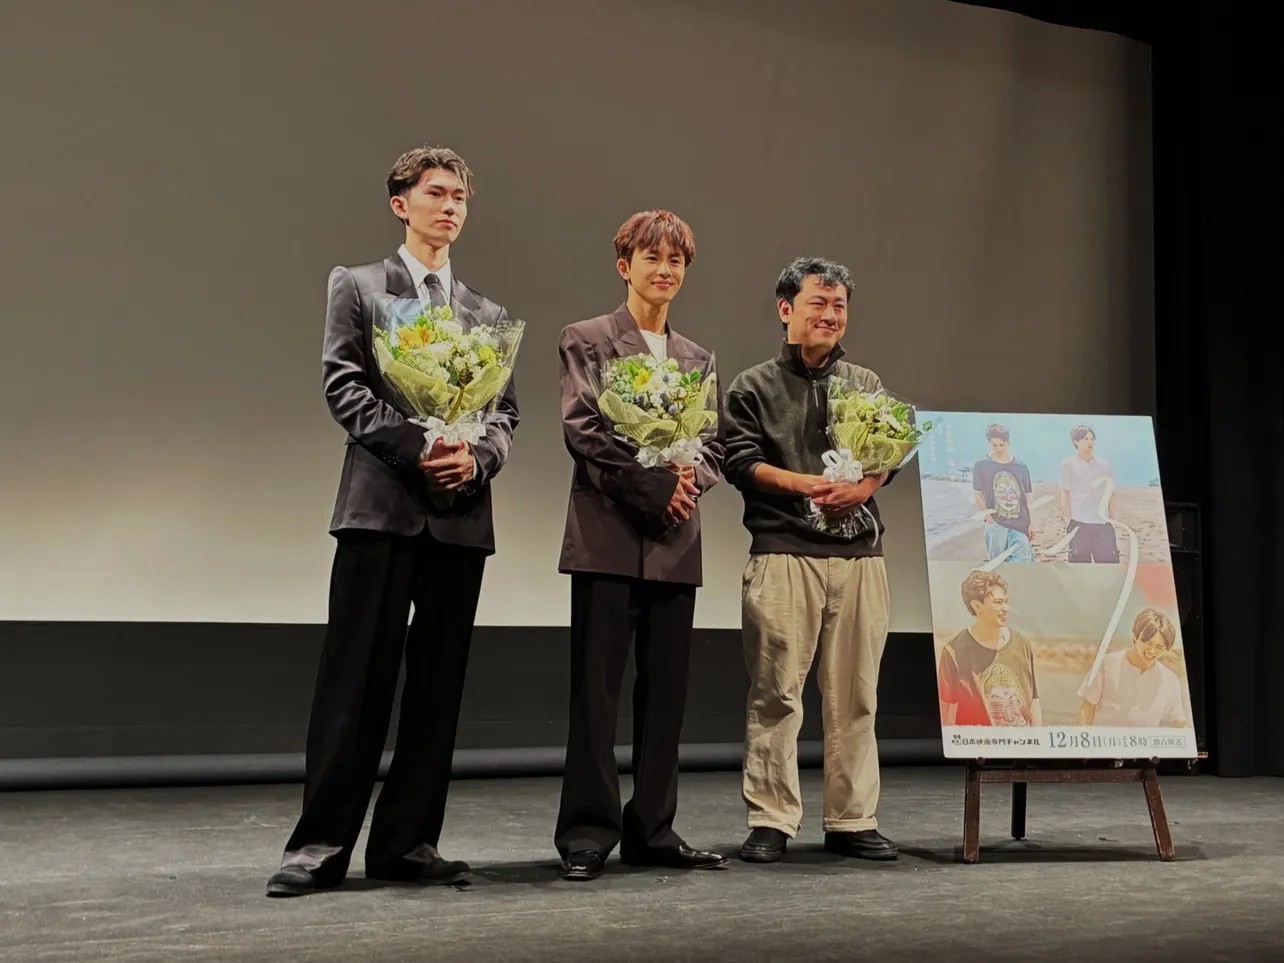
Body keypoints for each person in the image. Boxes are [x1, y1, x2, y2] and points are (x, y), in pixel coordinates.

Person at [266, 146, 519, 897]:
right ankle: (318, 847)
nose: (450, 207)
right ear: (400, 204)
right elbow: (343, 385)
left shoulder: (486, 314)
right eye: (436, 193)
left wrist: (476, 459)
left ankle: (408, 842)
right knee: (354, 683)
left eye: (460, 197)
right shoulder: (358, 285)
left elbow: (504, 413)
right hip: (380, 510)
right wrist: (420, 446)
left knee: (437, 690)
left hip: (459, 517)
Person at [554, 210, 728, 881]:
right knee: (595, 693)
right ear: (624, 265)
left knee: (666, 696)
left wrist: (688, 483)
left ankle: (653, 827)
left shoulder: (697, 358)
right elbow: (585, 431)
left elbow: (713, 445)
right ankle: (587, 832)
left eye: (675, 260)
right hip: (607, 536)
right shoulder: (588, 339)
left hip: (675, 544)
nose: (665, 269)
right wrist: (656, 489)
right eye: (652, 257)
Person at [723, 256, 898, 865]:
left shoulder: (866, 383)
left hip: (860, 556)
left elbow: (886, 457)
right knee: (776, 691)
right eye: (817, 303)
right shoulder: (752, 386)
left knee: (856, 695)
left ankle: (853, 818)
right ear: (786, 309)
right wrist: (807, 486)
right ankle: (771, 817)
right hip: (783, 552)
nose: (829, 315)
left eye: (838, 306)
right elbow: (739, 463)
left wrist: (863, 488)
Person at [937, 570, 1042, 728]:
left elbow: (1033, 701)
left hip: (1021, 742)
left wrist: (1038, 740)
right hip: (980, 743)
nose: (1006, 608)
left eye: (1006, 601)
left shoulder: (1022, 645)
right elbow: (946, 717)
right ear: (977, 606)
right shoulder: (953, 652)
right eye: (998, 602)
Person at [1077, 609, 1190, 728]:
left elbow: (1178, 721)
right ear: (1135, 636)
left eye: (1159, 647)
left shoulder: (1170, 679)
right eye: (1148, 643)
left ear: (1166, 648)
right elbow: (1088, 707)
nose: (1152, 651)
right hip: (1105, 738)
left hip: (1145, 740)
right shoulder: (1107, 663)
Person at [972, 423, 1035, 562]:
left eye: (1002, 444)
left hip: (1020, 524)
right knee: (999, 566)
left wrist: (1031, 522)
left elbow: (1028, 496)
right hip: (996, 525)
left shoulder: (1020, 466)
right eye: (995, 445)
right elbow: (977, 493)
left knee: (1022, 565)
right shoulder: (981, 465)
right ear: (989, 443)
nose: (999, 449)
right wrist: (989, 518)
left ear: (1008, 442)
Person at [1059, 424, 1120, 563]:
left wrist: (1112, 515)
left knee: (1108, 565)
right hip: (1079, 523)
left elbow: (1111, 492)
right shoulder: (1067, 465)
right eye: (1086, 439)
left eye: (1092, 439)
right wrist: (1068, 518)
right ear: (1076, 441)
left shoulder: (1105, 466)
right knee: (1079, 567)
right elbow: (1065, 492)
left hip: (1102, 523)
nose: (1090, 442)